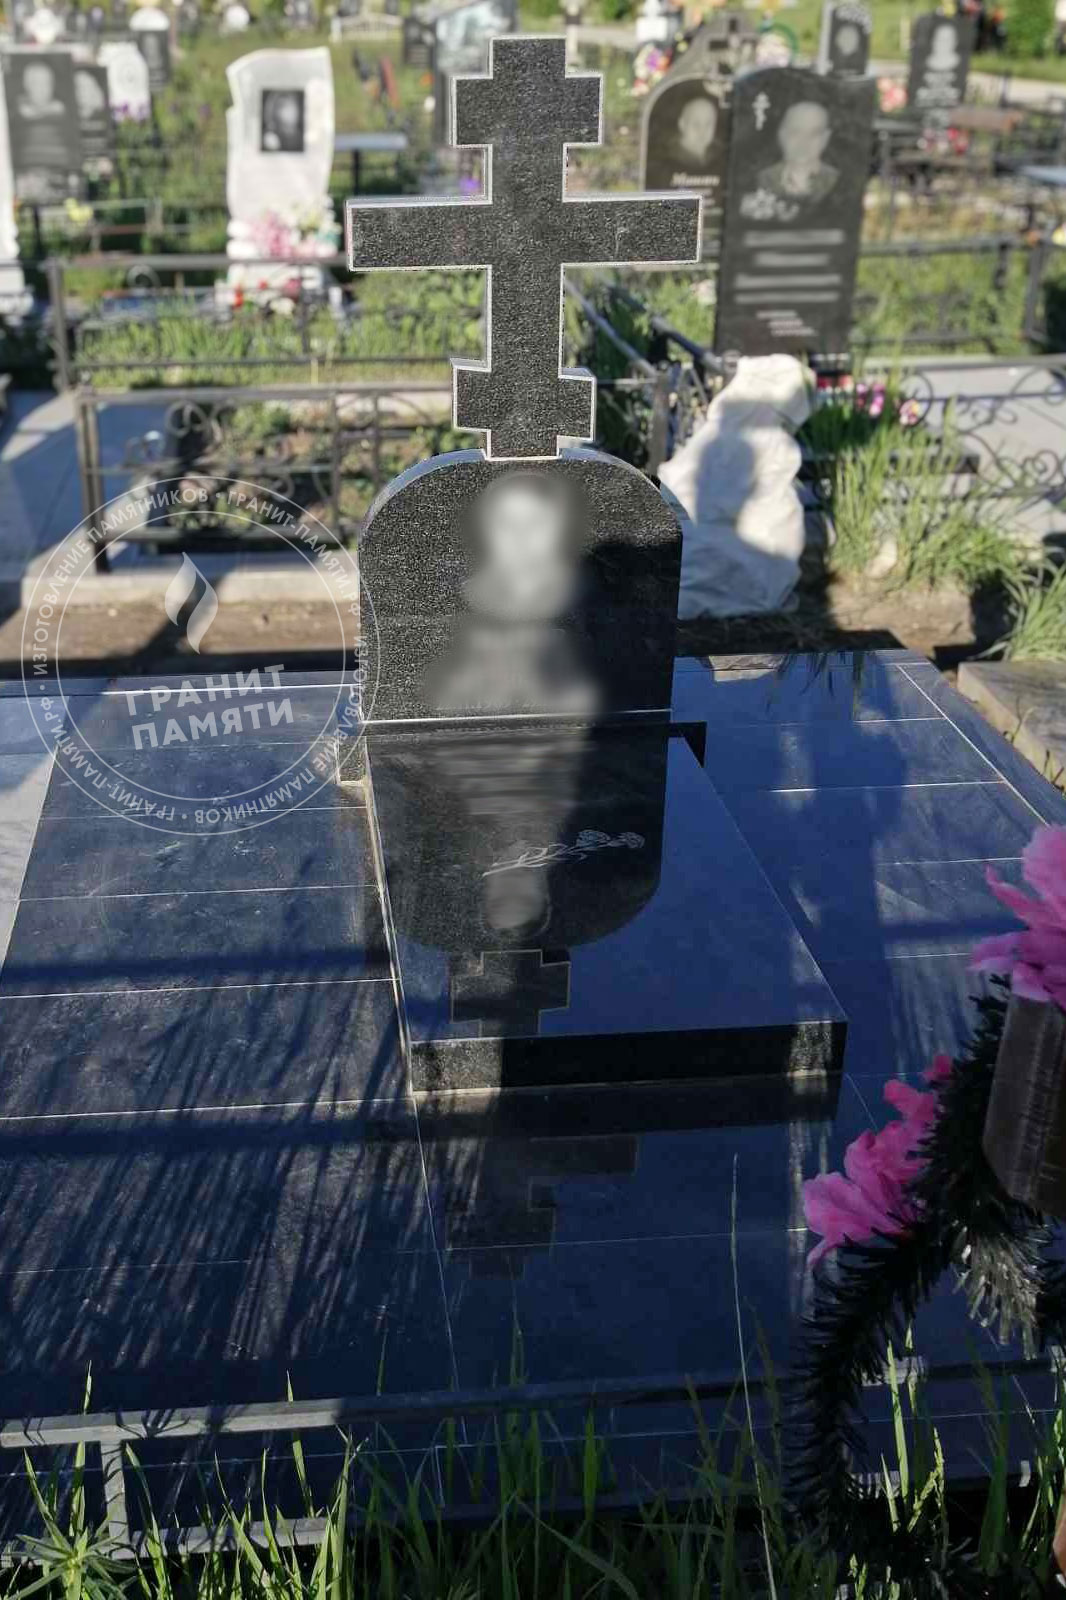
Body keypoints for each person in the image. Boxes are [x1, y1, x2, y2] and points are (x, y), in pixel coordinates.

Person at [757, 99, 839, 205]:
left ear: (825, 138)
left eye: (814, 134)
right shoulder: (762, 181)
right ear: (782, 135)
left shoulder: (838, 183)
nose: (803, 142)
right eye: (795, 132)